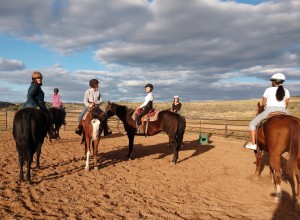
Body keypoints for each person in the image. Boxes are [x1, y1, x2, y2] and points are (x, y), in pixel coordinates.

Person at [245, 73, 290, 150]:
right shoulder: (286, 91)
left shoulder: (268, 90)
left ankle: (253, 144)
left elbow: (263, 104)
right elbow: (286, 104)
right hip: (284, 111)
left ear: (273, 82)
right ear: (282, 82)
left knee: (252, 124)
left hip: (269, 110)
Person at [24, 71, 56, 138]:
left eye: (40, 78)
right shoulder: (36, 86)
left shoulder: (32, 86)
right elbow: (30, 96)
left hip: (27, 105)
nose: (39, 79)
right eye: (37, 78)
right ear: (34, 79)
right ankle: (51, 132)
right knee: (49, 115)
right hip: (35, 105)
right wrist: (36, 106)